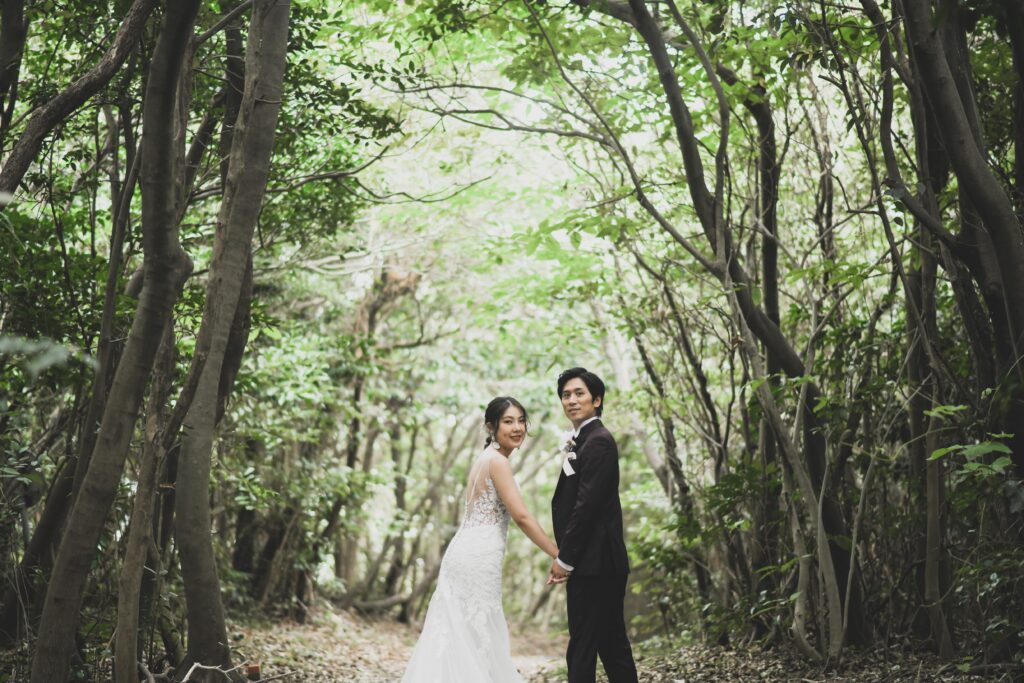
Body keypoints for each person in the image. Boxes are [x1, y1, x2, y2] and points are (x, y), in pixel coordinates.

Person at [400, 397, 559, 683]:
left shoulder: (486, 458)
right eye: (508, 421)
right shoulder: (497, 462)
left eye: (521, 421)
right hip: (478, 557)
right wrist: (557, 554)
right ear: (490, 427)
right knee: (478, 636)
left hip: (464, 552)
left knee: (461, 637)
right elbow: (522, 517)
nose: (517, 428)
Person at [548, 367, 638, 683]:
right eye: (566, 395)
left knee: (586, 646)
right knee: (609, 644)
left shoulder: (598, 441)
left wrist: (565, 559)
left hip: (597, 562)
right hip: (595, 561)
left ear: (596, 400)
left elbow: (586, 507)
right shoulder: (583, 440)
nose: (571, 400)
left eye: (579, 393)